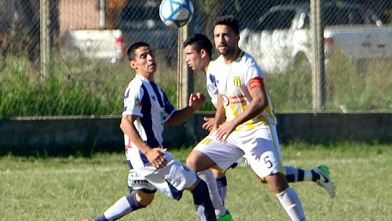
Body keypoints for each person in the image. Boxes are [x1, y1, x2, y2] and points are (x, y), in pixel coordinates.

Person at [182, 33, 335, 202]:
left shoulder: (217, 70)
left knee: (218, 169)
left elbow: (232, 100)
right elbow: (225, 102)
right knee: (264, 176)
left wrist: (220, 122)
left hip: (249, 127)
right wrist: (218, 118)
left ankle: (221, 214)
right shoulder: (213, 73)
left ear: (202, 53)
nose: (187, 60)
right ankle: (315, 175)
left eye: (189, 54)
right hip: (237, 128)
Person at [185, 15, 307, 220]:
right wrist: (218, 123)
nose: (221, 40)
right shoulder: (216, 67)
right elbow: (223, 98)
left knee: (275, 182)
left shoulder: (247, 65)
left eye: (226, 35)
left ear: (237, 38)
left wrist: (232, 122)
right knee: (194, 161)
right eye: (217, 35)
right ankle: (221, 213)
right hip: (232, 132)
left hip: (258, 128)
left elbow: (260, 101)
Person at [83, 42, 217, 221]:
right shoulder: (137, 87)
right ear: (133, 64)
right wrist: (148, 151)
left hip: (146, 155)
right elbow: (125, 123)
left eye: (151, 54)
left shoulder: (155, 89)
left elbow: (170, 118)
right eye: (143, 56)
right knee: (199, 186)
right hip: (149, 157)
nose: (150, 58)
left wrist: (191, 108)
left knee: (143, 198)